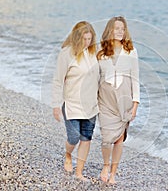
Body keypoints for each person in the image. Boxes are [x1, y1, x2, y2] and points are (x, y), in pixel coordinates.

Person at [52, 21, 99, 181]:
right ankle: (68, 154)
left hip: (91, 105)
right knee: (73, 137)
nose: (87, 43)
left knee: (86, 138)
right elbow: (58, 81)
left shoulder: (94, 53)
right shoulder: (66, 54)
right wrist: (56, 105)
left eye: (89, 39)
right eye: (84, 39)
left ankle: (79, 173)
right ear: (77, 38)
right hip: (72, 104)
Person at [96, 16, 140, 184]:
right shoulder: (101, 51)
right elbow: (95, 77)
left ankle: (113, 172)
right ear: (110, 30)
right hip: (105, 100)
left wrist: (135, 105)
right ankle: (106, 165)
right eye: (117, 28)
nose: (120, 32)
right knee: (107, 138)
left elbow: (135, 79)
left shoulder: (131, 51)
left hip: (124, 101)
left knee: (119, 138)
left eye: (123, 29)